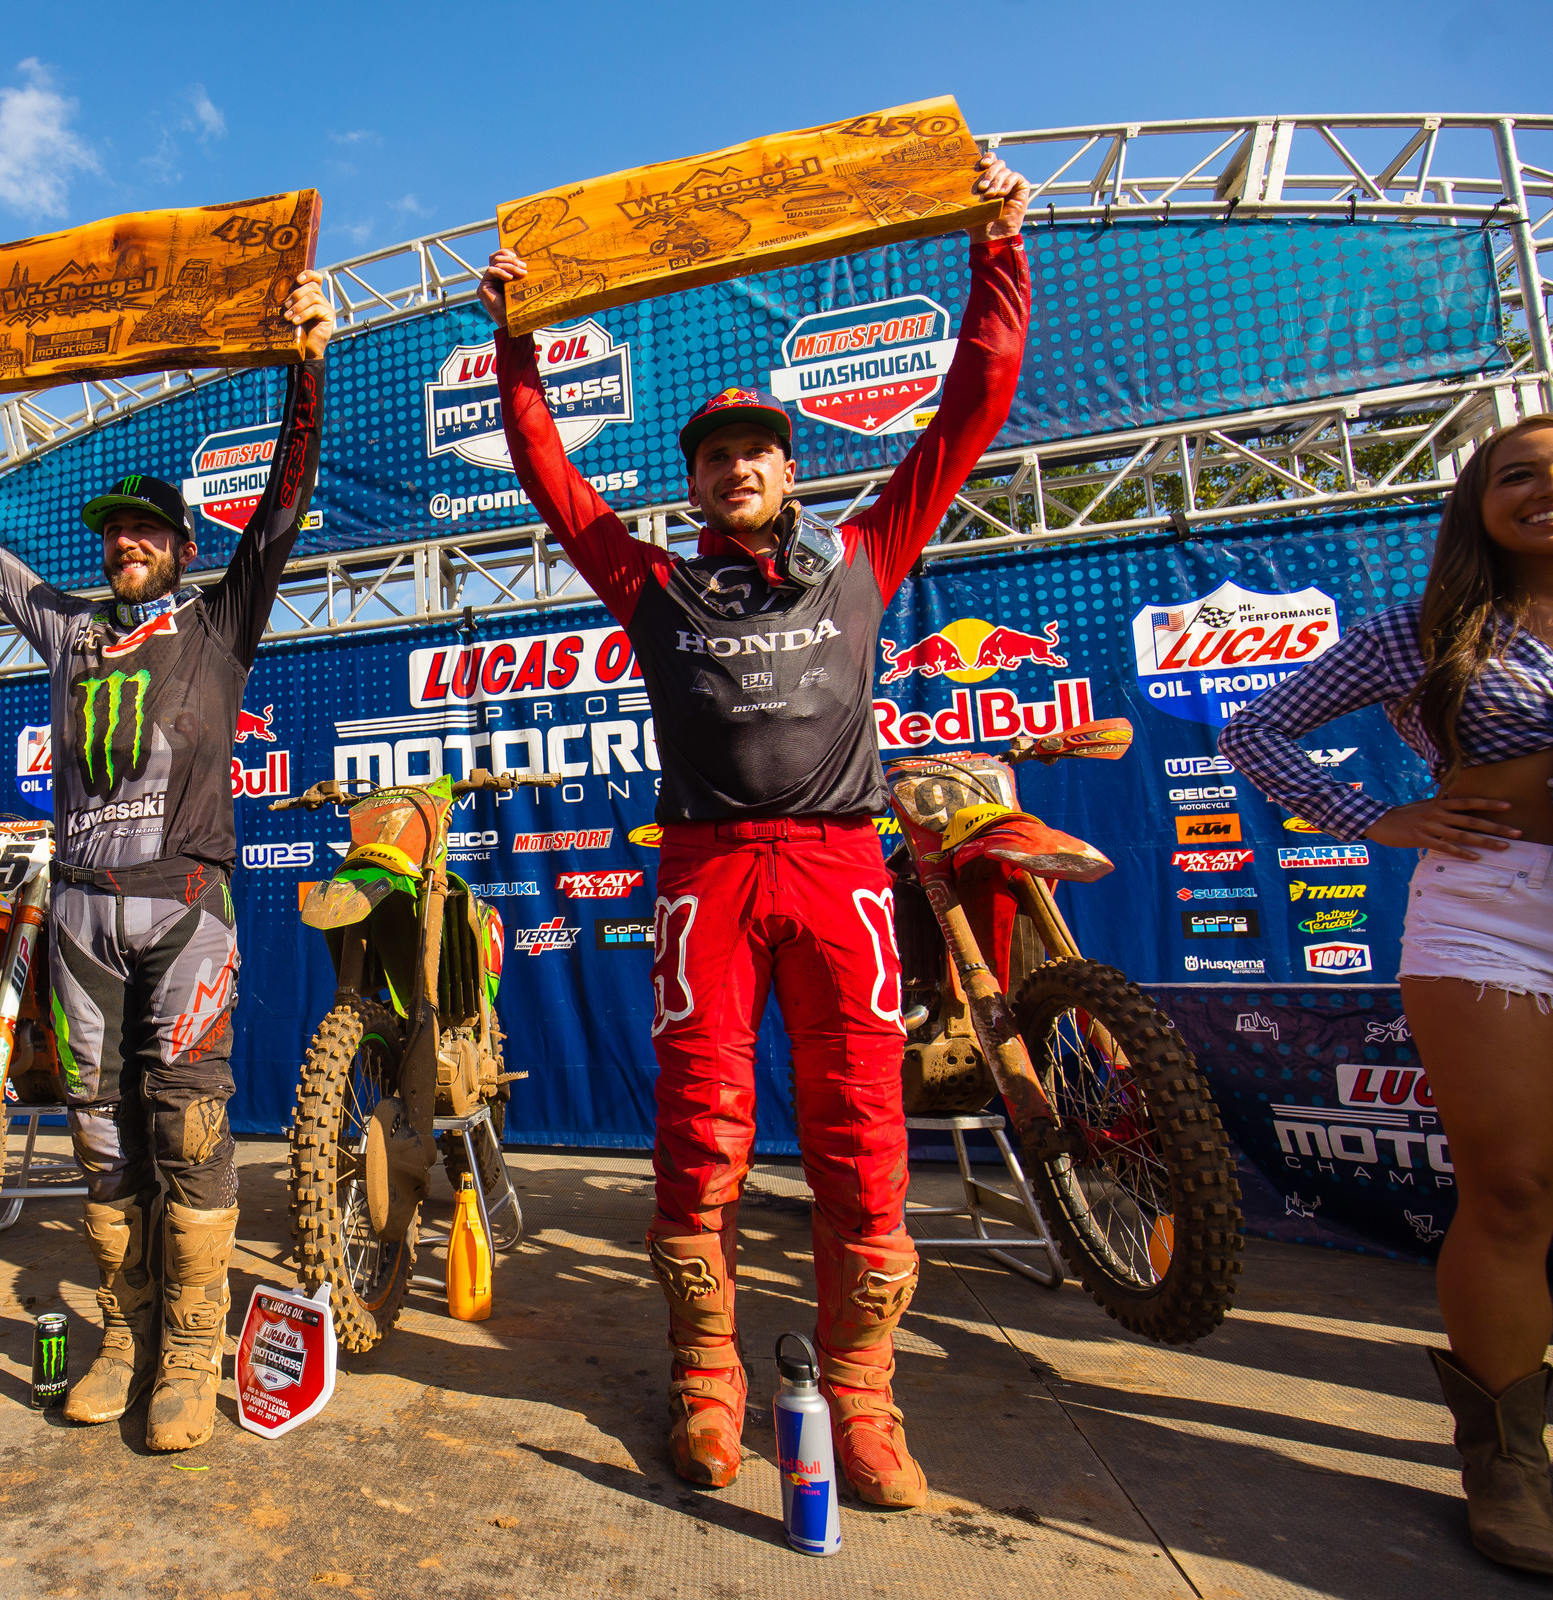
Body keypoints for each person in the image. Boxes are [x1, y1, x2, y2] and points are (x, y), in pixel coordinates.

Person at [477, 153, 1033, 1505]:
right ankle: (709, 1376)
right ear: (700, 479)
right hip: (709, 877)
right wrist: (515, 354)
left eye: (757, 452)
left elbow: (968, 411)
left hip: (842, 872)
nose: (737, 468)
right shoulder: (654, 581)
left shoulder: (865, 554)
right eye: (715, 455)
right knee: (701, 1131)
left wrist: (999, 251)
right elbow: (556, 484)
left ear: (792, 468)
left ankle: (866, 1400)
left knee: (861, 1135)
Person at [0, 269, 333, 1452]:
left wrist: (307, 369)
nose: (126, 544)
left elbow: (277, 504)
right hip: (79, 914)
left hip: (185, 910)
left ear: (176, 545)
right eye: (114, 533)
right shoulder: (67, 630)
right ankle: (124, 1333)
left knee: (191, 1132)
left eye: (146, 531)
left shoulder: (220, 621)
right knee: (102, 1135)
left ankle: (187, 1352)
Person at [1219, 414, 1553, 1573]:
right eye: (1519, 475)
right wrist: (1377, 819)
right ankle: (1510, 1461)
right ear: (1479, 505)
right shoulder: (1427, 631)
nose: (1544, 488)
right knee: (1511, 1189)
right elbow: (1255, 727)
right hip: (1493, 910)